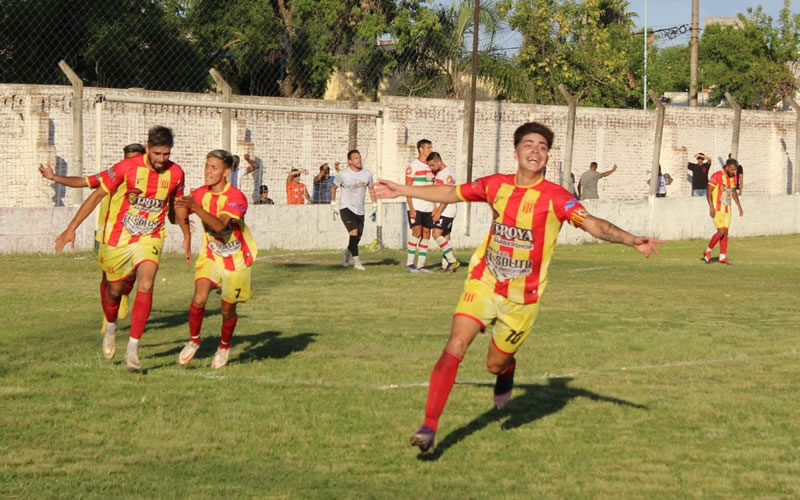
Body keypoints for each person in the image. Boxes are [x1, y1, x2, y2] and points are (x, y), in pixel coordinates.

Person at [374, 121, 663, 453]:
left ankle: (506, 370)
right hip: (484, 281)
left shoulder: (556, 198)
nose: (535, 150)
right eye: (529, 144)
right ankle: (429, 426)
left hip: (522, 300)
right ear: (516, 152)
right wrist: (403, 189)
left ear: (547, 157)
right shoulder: (496, 185)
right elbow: (451, 193)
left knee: (494, 364)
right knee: (455, 344)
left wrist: (630, 239)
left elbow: (593, 223)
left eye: (542, 146)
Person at [54, 126, 192, 372]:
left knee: (147, 283)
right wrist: (71, 227)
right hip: (117, 239)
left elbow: (175, 206)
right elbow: (96, 195)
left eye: (166, 154)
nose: (162, 159)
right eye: (157, 153)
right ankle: (110, 327)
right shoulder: (126, 168)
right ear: (148, 147)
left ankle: (132, 349)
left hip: (150, 237)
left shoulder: (177, 173)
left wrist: (183, 228)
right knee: (114, 292)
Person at [39, 143, 146, 328]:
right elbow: (83, 182)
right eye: (128, 160)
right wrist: (54, 177)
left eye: (136, 160)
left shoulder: (153, 179)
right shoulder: (115, 174)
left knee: (130, 274)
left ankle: (125, 294)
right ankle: (108, 317)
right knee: (108, 279)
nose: (132, 164)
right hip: (107, 234)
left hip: (136, 236)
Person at [175, 150, 258, 369]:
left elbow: (220, 225)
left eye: (214, 167)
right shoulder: (200, 194)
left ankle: (223, 346)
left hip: (235, 259)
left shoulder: (236, 197)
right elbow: (178, 215)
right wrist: (178, 211)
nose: (208, 171)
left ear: (226, 172)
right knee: (199, 298)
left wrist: (194, 207)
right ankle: (193, 341)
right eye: (206, 166)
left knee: (227, 310)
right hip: (211, 255)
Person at [330, 149, 376, 271]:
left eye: (360, 157)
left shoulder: (367, 174)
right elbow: (333, 188)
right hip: (346, 208)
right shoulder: (343, 174)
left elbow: (371, 189)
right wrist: (333, 204)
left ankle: (346, 253)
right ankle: (356, 263)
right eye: (356, 158)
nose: (359, 159)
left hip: (360, 210)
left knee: (357, 238)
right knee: (354, 233)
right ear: (350, 161)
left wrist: (375, 205)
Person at [703, 158, 744, 264]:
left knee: (725, 234)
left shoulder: (733, 177)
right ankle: (708, 251)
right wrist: (711, 206)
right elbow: (708, 191)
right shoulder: (716, 176)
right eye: (731, 169)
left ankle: (722, 257)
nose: (733, 172)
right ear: (726, 167)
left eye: (734, 170)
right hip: (717, 209)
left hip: (727, 210)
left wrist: (739, 206)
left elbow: (733, 191)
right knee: (721, 231)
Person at [405, 139, 435, 272]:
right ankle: (410, 264)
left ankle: (421, 265)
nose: (430, 150)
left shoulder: (431, 166)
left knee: (427, 232)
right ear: (421, 149)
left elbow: (433, 187)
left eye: (431, 147)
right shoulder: (413, 166)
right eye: (428, 148)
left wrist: (434, 205)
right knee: (417, 232)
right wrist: (411, 208)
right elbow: (407, 188)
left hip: (429, 205)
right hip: (416, 205)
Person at [427, 152, 459, 272]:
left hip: (447, 210)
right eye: (430, 166)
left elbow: (447, 196)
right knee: (446, 236)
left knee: (436, 234)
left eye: (432, 165)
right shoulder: (439, 173)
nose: (431, 168)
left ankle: (452, 261)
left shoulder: (448, 174)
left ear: (439, 161)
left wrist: (438, 212)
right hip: (443, 209)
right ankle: (446, 266)